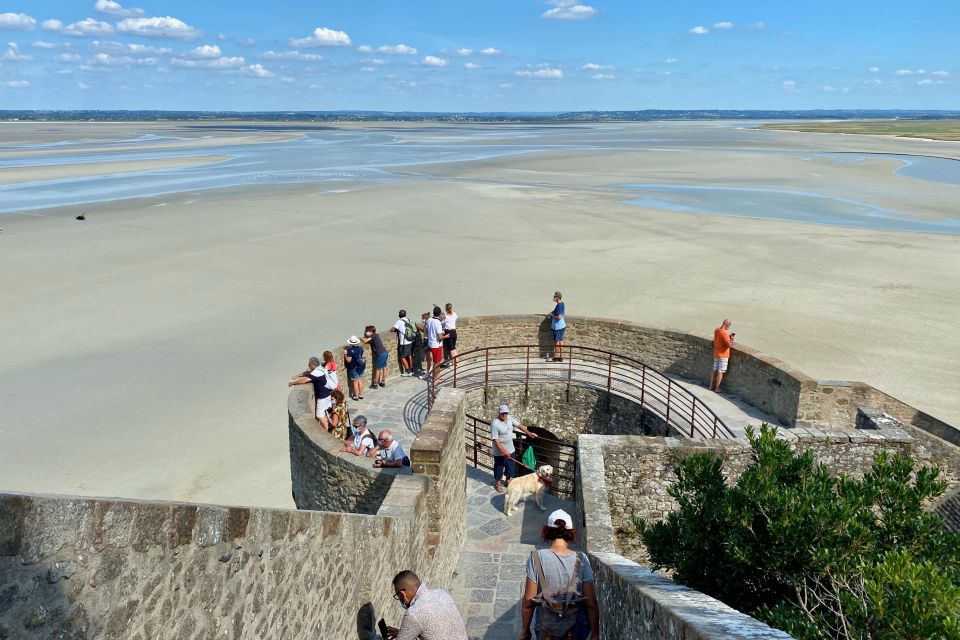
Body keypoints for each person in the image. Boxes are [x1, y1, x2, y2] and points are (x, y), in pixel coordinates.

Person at [519, 510, 600, 640]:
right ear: (571, 532)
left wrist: (524, 631)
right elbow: (591, 602)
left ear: (547, 531)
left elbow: (529, 601)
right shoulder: (582, 559)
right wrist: (595, 634)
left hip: (546, 631)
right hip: (576, 631)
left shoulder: (536, 558)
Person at [385, 570, 467, 640]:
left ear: (403, 594)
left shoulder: (414, 613)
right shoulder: (442, 593)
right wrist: (404, 633)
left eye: (398, 596)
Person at [490, 404, 538, 493]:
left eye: (506, 413)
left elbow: (519, 425)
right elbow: (495, 440)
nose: (504, 415)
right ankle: (498, 483)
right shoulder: (495, 423)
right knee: (499, 467)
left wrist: (528, 433)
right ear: (499, 413)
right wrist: (503, 451)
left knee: (510, 467)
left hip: (510, 449)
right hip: (499, 451)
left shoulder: (509, 418)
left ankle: (508, 481)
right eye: (502, 413)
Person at [288, 356, 334, 431]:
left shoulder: (316, 372)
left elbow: (304, 381)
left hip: (323, 396)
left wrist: (292, 383)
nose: (308, 366)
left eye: (309, 364)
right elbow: (308, 373)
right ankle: (327, 427)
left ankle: (326, 430)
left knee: (319, 414)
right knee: (324, 412)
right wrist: (297, 375)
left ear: (313, 364)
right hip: (327, 394)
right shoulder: (320, 368)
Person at [709, 319, 735, 392]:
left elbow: (720, 338)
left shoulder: (716, 330)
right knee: (720, 371)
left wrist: (728, 336)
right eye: (729, 326)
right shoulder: (724, 333)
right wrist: (732, 338)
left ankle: (710, 386)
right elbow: (729, 345)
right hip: (723, 355)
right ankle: (717, 388)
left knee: (714, 369)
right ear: (727, 325)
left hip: (716, 353)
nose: (728, 328)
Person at [361, 325, 388, 389]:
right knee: (384, 367)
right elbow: (367, 337)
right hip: (384, 353)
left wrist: (360, 338)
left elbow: (365, 340)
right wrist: (365, 329)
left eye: (368, 331)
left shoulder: (373, 335)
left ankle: (375, 383)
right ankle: (383, 382)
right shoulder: (375, 335)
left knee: (377, 369)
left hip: (380, 354)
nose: (367, 332)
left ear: (371, 332)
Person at [390, 310, 415, 376]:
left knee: (402, 357)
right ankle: (412, 370)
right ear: (405, 314)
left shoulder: (399, 322)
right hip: (410, 340)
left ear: (399, 315)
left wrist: (397, 330)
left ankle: (408, 372)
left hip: (404, 342)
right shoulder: (408, 320)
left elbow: (392, 329)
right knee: (410, 355)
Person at [424, 306, 445, 384]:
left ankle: (438, 376)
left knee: (437, 361)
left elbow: (426, 330)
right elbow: (440, 337)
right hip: (436, 345)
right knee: (436, 362)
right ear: (439, 314)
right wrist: (446, 336)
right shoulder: (438, 323)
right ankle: (434, 378)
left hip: (431, 343)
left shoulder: (429, 320)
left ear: (433, 312)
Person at [344, 336, 366, 401]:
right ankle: (361, 395)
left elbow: (348, 360)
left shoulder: (350, 351)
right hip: (360, 366)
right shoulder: (360, 349)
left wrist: (345, 354)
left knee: (355, 382)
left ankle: (356, 396)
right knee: (360, 380)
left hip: (353, 367)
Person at [547, 291, 566, 362]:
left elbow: (559, 317)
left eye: (554, 296)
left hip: (558, 327)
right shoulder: (562, 303)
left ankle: (556, 357)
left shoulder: (559, 305)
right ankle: (561, 356)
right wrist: (551, 313)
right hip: (562, 326)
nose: (553, 297)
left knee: (557, 342)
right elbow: (556, 311)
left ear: (557, 297)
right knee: (561, 341)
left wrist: (552, 315)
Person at [442, 302, 458, 366]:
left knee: (451, 348)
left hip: (449, 332)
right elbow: (455, 317)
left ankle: (455, 361)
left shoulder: (445, 316)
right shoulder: (454, 314)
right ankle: (456, 360)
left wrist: (444, 316)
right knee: (453, 347)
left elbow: (442, 322)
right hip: (454, 332)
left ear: (446, 309)